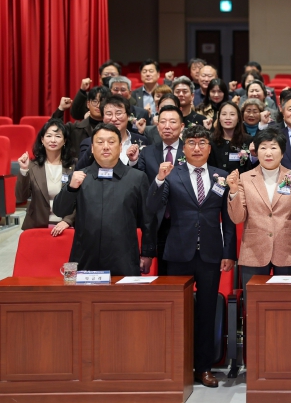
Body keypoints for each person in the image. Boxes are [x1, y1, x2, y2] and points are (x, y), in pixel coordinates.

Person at [146, 125, 235, 388]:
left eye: (202, 143)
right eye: (192, 143)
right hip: (177, 253)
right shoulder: (171, 174)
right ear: (183, 148)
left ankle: (204, 368)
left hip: (210, 254)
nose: (197, 148)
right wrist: (158, 179)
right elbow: (151, 207)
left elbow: (229, 220)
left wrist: (229, 252)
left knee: (207, 312)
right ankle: (177, 366)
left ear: (209, 147)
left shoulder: (221, 176)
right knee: (177, 312)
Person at [53, 123, 156, 276]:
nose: (106, 147)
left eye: (111, 142)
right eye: (100, 142)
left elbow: (148, 219)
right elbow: (60, 210)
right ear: (92, 148)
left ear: (120, 147)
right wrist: (71, 188)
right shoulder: (80, 177)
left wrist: (147, 253)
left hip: (124, 258)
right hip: (85, 257)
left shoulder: (137, 178)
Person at [227, 129, 291, 295]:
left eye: (273, 148)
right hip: (254, 250)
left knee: (287, 300)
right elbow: (237, 218)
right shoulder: (244, 179)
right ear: (256, 151)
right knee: (254, 303)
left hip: (288, 251)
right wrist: (234, 191)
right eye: (263, 147)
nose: (268, 153)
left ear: (282, 153)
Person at [137, 104, 185, 276]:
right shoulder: (147, 153)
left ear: (182, 126)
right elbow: (141, 189)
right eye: (163, 122)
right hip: (158, 224)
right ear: (157, 127)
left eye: (172, 122)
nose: (167, 126)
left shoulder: (192, 151)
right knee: (164, 278)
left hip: (184, 223)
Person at [16, 120, 76, 233]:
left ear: (64, 141)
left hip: (66, 226)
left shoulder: (74, 165)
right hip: (37, 225)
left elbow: (80, 199)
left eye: (58, 136)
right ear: (42, 140)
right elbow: (21, 197)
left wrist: (67, 221)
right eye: (49, 136)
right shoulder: (33, 166)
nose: (53, 140)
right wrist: (24, 170)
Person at [76, 95, 150, 169]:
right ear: (103, 118)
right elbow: (79, 170)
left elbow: (145, 171)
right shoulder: (89, 142)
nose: (114, 119)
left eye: (118, 113)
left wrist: (133, 162)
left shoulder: (141, 141)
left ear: (128, 116)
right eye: (109, 114)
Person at [53, 86, 110, 158]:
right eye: (95, 101)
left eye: (102, 102)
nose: (98, 105)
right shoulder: (74, 128)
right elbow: (53, 130)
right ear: (88, 104)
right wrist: (61, 109)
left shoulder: (114, 128)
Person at [208, 102, 254, 174]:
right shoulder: (211, 140)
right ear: (219, 118)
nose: (228, 118)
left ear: (238, 118)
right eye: (224, 114)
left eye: (232, 114)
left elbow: (252, 167)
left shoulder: (248, 140)